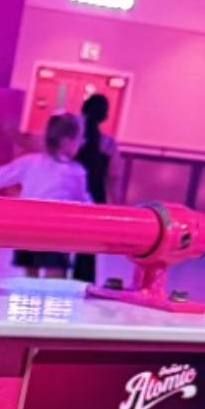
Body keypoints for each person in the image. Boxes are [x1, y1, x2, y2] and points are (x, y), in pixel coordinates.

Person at [0, 110, 90, 277]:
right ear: (68, 142)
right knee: (55, 276)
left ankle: (29, 300)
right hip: (57, 230)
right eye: (79, 140)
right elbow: (83, 202)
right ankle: (52, 301)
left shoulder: (31, 162)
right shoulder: (75, 172)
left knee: (30, 275)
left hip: (29, 226)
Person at [71, 93, 118, 284]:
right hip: (95, 195)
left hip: (69, 192)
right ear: (104, 115)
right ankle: (83, 283)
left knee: (56, 243)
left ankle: (52, 280)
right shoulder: (107, 144)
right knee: (87, 247)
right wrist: (113, 203)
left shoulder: (71, 138)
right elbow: (114, 176)